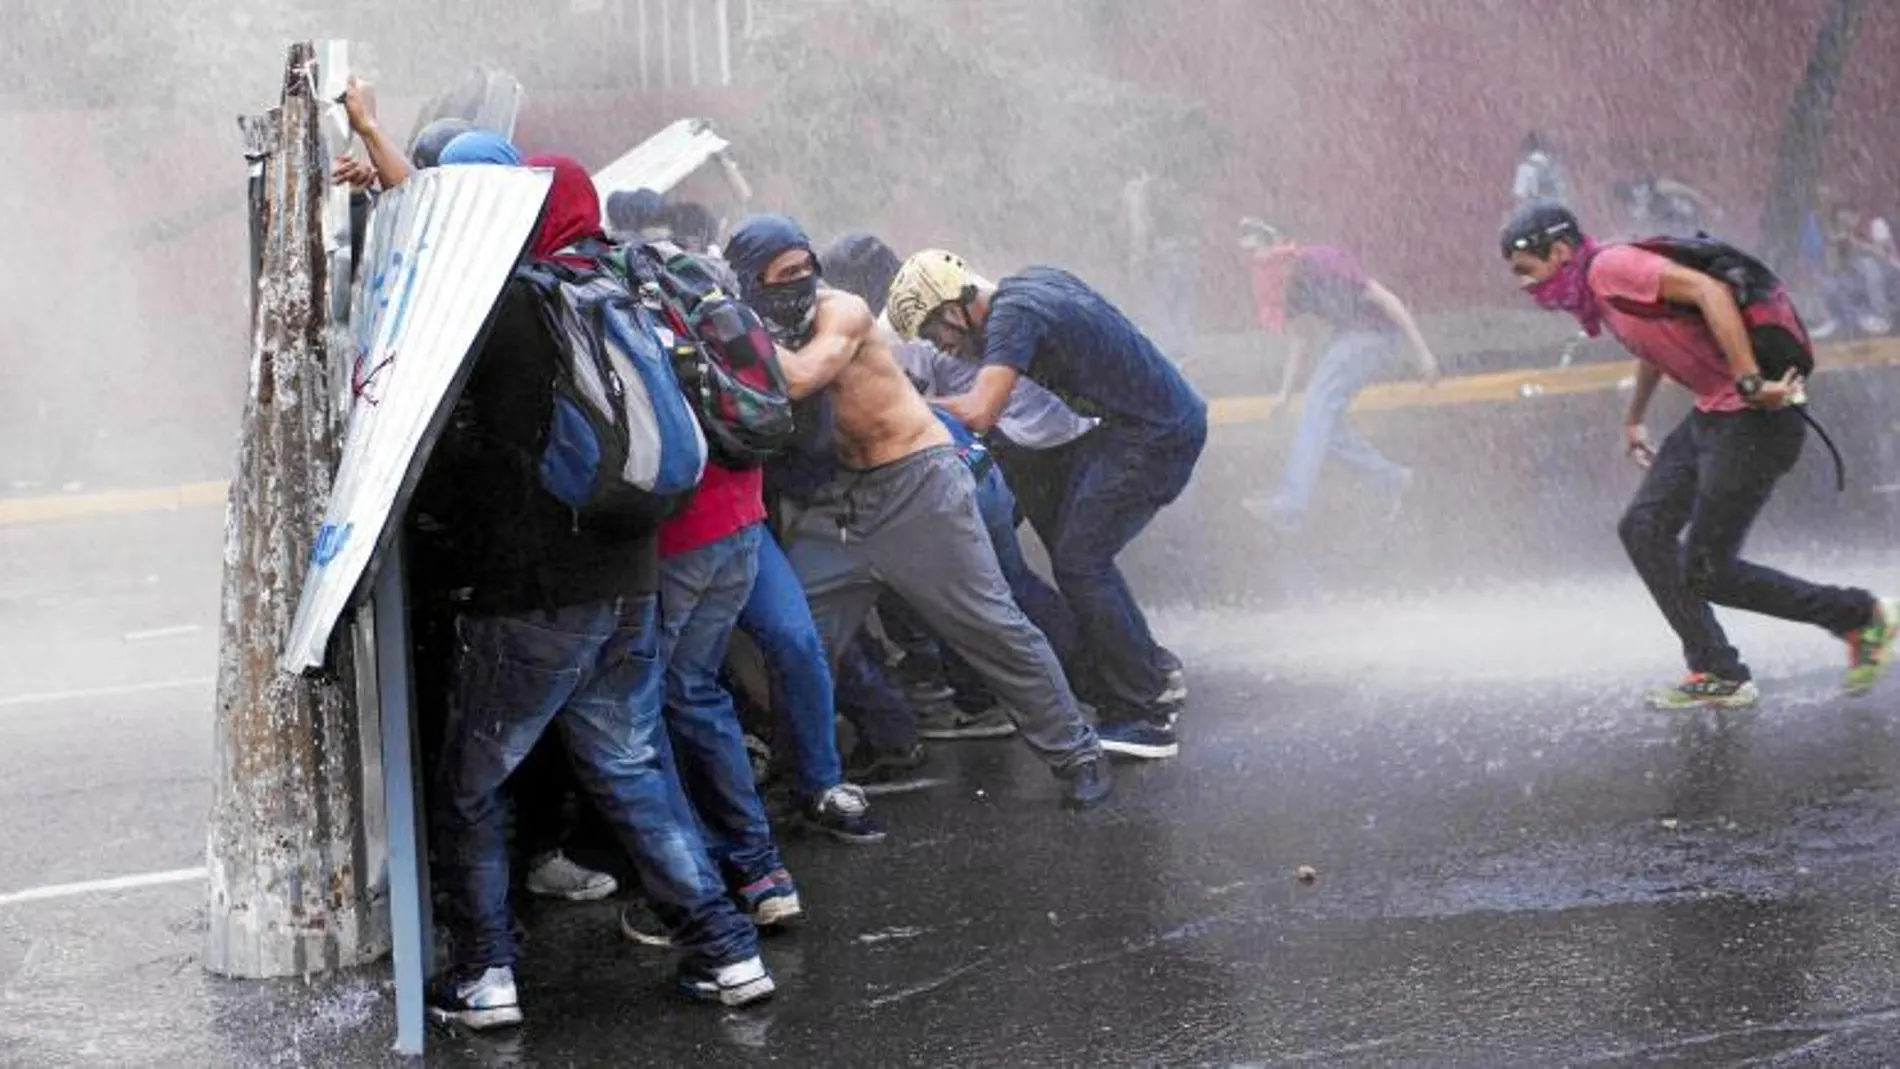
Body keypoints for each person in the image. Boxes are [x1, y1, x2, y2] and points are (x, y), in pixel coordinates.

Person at [424, 155, 773, 1028]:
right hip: (631, 576)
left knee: (474, 784)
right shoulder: (618, 288)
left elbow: (461, 456)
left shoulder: (505, 309)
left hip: (534, 591)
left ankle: (484, 974)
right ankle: (730, 953)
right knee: (636, 775)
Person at [728, 215, 1112, 808]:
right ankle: (807, 776)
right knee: (783, 642)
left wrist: (723, 324)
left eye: (806, 268)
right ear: (751, 282)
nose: (801, 283)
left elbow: (802, 377)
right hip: (839, 506)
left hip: (919, 490)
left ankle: (1077, 752)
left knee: (992, 628)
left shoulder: (841, 310)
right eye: (784, 275)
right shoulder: (756, 324)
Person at [1500, 199, 1896, 708]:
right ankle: (1716, 669)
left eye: (1525, 270)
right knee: (1644, 527)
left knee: (1709, 571)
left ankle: (1862, 617)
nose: (1523, 284)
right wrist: (1634, 415)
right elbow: (1654, 342)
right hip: (1716, 415)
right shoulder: (1599, 290)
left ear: (1558, 252)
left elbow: (1709, 292)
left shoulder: (1611, 268)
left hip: (1755, 420)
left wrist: (1750, 379)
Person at [888, 250, 1205, 759]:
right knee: (1078, 553)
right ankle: (1148, 675)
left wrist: (898, 403)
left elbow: (980, 411)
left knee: (1082, 562)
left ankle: (1146, 717)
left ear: (952, 308)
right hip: (1135, 428)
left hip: (1154, 436)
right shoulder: (1026, 287)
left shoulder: (1013, 318)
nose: (941, 349)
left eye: (934, 333)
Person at [1238, 218, 1441, 529]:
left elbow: (1388, 301)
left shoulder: (1322, 261)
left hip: (1375, 333)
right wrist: (1284, 394)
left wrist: (1423, 354)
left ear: (1278, 245)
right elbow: (1300, 340)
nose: (1258, 264)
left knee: (1318, 404)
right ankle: (1391, 479)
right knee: (1324, 426)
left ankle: (1292, 503)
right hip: (1348, 336)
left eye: (1259, 251)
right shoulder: (1289, 286)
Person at [1511, 131, 1574, 207]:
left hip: (1535, 210)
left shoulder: (1525, 168)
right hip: (1556, 209)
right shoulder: (1555, 167)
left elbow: (1520, 195)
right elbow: (1564, 192)